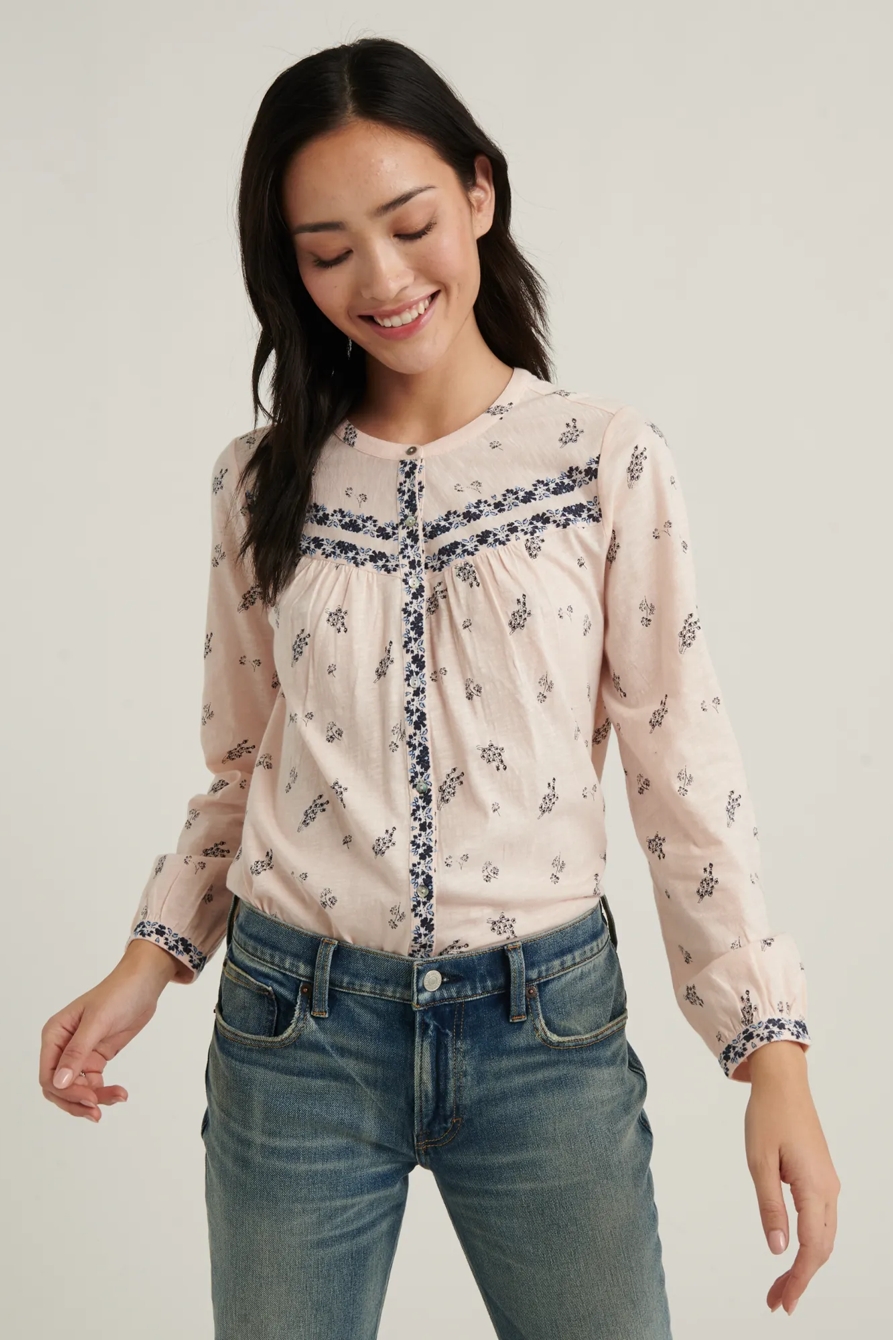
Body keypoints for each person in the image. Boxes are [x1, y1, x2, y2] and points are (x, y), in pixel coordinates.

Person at [39, 35, 839, 1339]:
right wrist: (150, 960)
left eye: (410, 224)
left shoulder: (601, 460)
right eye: (327, 250)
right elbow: (245, 768)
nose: (382, 278)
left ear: (479, 191)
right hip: (293, 1034)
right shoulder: (259, 484)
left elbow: (681, 765)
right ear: (289, 269)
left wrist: (773, 1058)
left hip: (545, 1033)